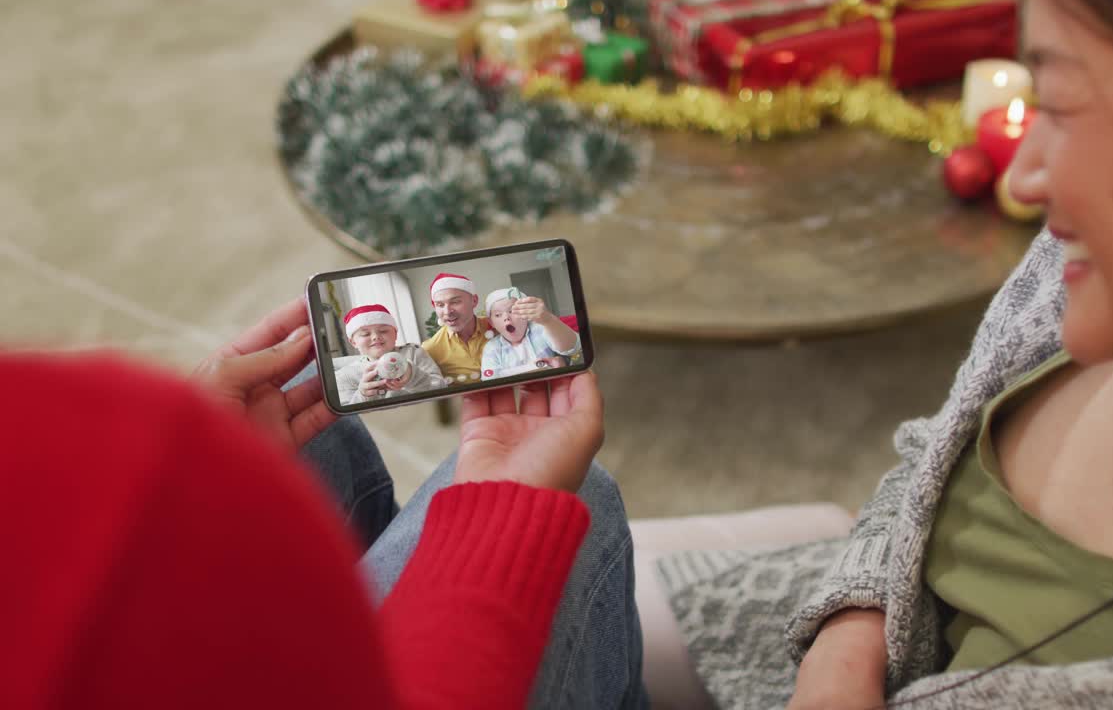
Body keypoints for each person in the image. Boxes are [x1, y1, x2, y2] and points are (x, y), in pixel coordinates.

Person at [656, 0, 1113, 708]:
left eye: (1068, 104)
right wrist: (848, 642)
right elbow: (932, 460)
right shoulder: (1080, 273)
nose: (1021, 177)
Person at [3, 298, 647, 709]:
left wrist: (198, 467)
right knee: (576, 498)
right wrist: (497, 528)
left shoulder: (464, 341)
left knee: (318, 432)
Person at [334, 303, 447, 405]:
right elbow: (346, 418)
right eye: (365, 334)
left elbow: (441, 387)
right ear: (353, 342)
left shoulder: (413, 352)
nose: (375, 337)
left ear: (395, 334)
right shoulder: (345, 375)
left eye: (383, 331)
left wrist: (413, 377)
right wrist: (363, 395)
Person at [481, 287, 581, 380]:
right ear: (491, 323)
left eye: (512, 311)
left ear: (526, 312)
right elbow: (489, 379)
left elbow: (572, 348)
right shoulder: (492, 348)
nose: (506, 317)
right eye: (498, 315)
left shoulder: (540, 329)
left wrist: (548, 320)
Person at [422, 272, 493, 386]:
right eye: (440, 305)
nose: (447, 312)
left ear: (474, 301)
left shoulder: (500, 327)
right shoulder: (429, 350)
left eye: (455, 302)